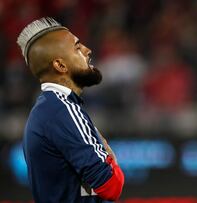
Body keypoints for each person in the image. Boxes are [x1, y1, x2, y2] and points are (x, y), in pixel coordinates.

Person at [17, 17, 125, 202]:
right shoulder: (62, 110)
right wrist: (111, 158)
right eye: (77, 47)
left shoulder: (50, 109)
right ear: (60, 65)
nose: (88, 50)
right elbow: (111, 186)